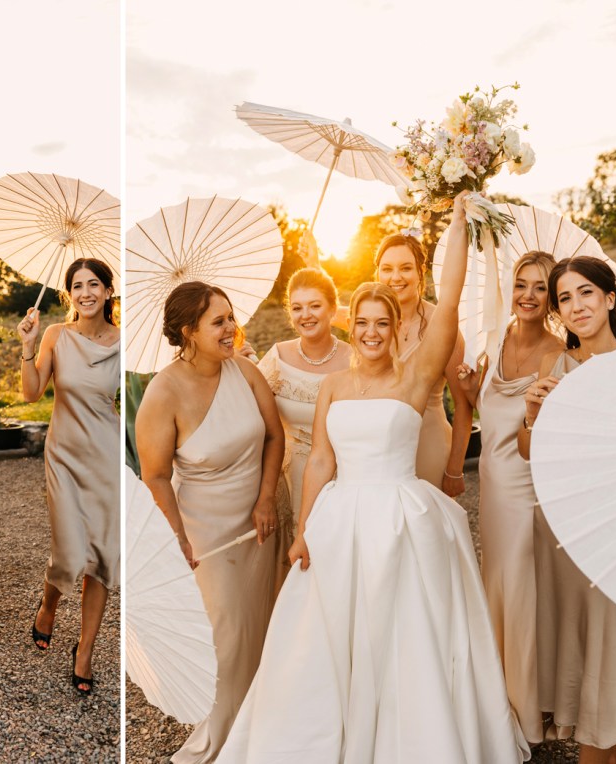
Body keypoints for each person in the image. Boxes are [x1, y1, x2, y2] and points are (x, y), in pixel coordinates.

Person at [218, 193, 529, 763]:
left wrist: (457, 222)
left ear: (394, 327)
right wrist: (302, 531)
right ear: (351, 326)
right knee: (326, 633)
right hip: (340, 518)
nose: (370, 332)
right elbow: (319, 460)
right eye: (361, 322)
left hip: (402, 520)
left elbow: (450, 297)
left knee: (403, 632)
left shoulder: (415, 377)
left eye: (381, 323)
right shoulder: (335, 385)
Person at [136, 280, 283, 762]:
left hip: (259, 523)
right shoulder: (163, 392)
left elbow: (274, 436)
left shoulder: (245, 370)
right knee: (226, 634)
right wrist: (177, 539)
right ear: (188, 332)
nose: (230, 328)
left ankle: (261, 725)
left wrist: (267, 499)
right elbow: (155, 476)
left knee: (261, 624)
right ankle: (221, 736)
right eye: (218, 322)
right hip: (205, 532)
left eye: (230, 317)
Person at [519, 256, 616, 764]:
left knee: (615, 651)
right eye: (565, 298)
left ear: (610, 298)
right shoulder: (556, 368)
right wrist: (532, 415)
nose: (576, 305)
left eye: (586, 292)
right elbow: (529, 452)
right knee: (588, 652)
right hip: (565, 532)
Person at [456, 251, 562, 744]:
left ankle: (527, 710)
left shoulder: (557, 354)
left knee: (520, 590)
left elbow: (543, 436)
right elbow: (489, 417)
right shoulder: (495, 341)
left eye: (540, 287)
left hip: (527, 489)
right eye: (521, 284)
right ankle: (498, 698)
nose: (528, 295)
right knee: (495, 586)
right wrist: (472, 391)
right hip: (492, 487)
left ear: (552, 297)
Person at [18, 258, 120, 696]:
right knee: (68, 552)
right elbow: (31, 393)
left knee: (101, 556)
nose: (85, 293)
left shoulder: (124, 342)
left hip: (107, 458)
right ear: (69, 294)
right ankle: (48, 605)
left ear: (108, 291)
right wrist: (28, 346)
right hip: (63, 456)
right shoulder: (56, 336)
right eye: (77, 286)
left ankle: (85, 650)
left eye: (93, 284)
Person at [257, 267, 351, 593]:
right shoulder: (278, 357)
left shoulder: (354, 360)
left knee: (336, 565)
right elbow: (249, 409)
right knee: (294, 569)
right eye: (297, 307)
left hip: (340, 475)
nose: (305, 315)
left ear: (332, 308)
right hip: (287, 477)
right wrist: (239, 365)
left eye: (314, 305)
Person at [375, 231, 472, 495]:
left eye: (405, 268)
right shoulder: (372, 324)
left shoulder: (443, 325)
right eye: (387, 269)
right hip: (381, 450)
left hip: (429, 445)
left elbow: (463, 405)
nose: (395, 277)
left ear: (421, 271)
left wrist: (455, 469)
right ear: (378, 273)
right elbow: (327, 312)